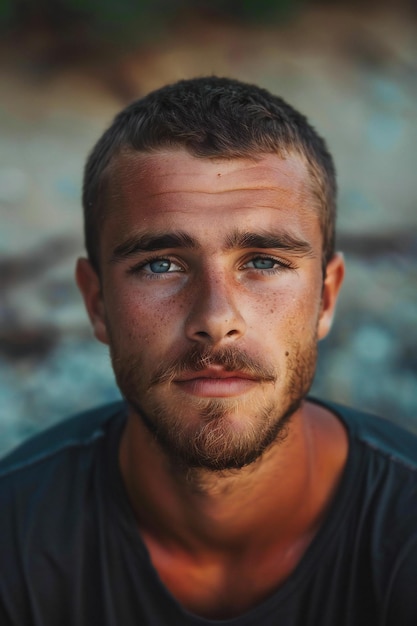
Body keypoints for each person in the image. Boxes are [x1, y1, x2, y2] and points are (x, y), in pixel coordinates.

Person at [0, 76, 416, 626]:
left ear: (326, 297)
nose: (217, 320)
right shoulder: (14, 537)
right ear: (97, 302)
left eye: (264, 261)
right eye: (160, 264)